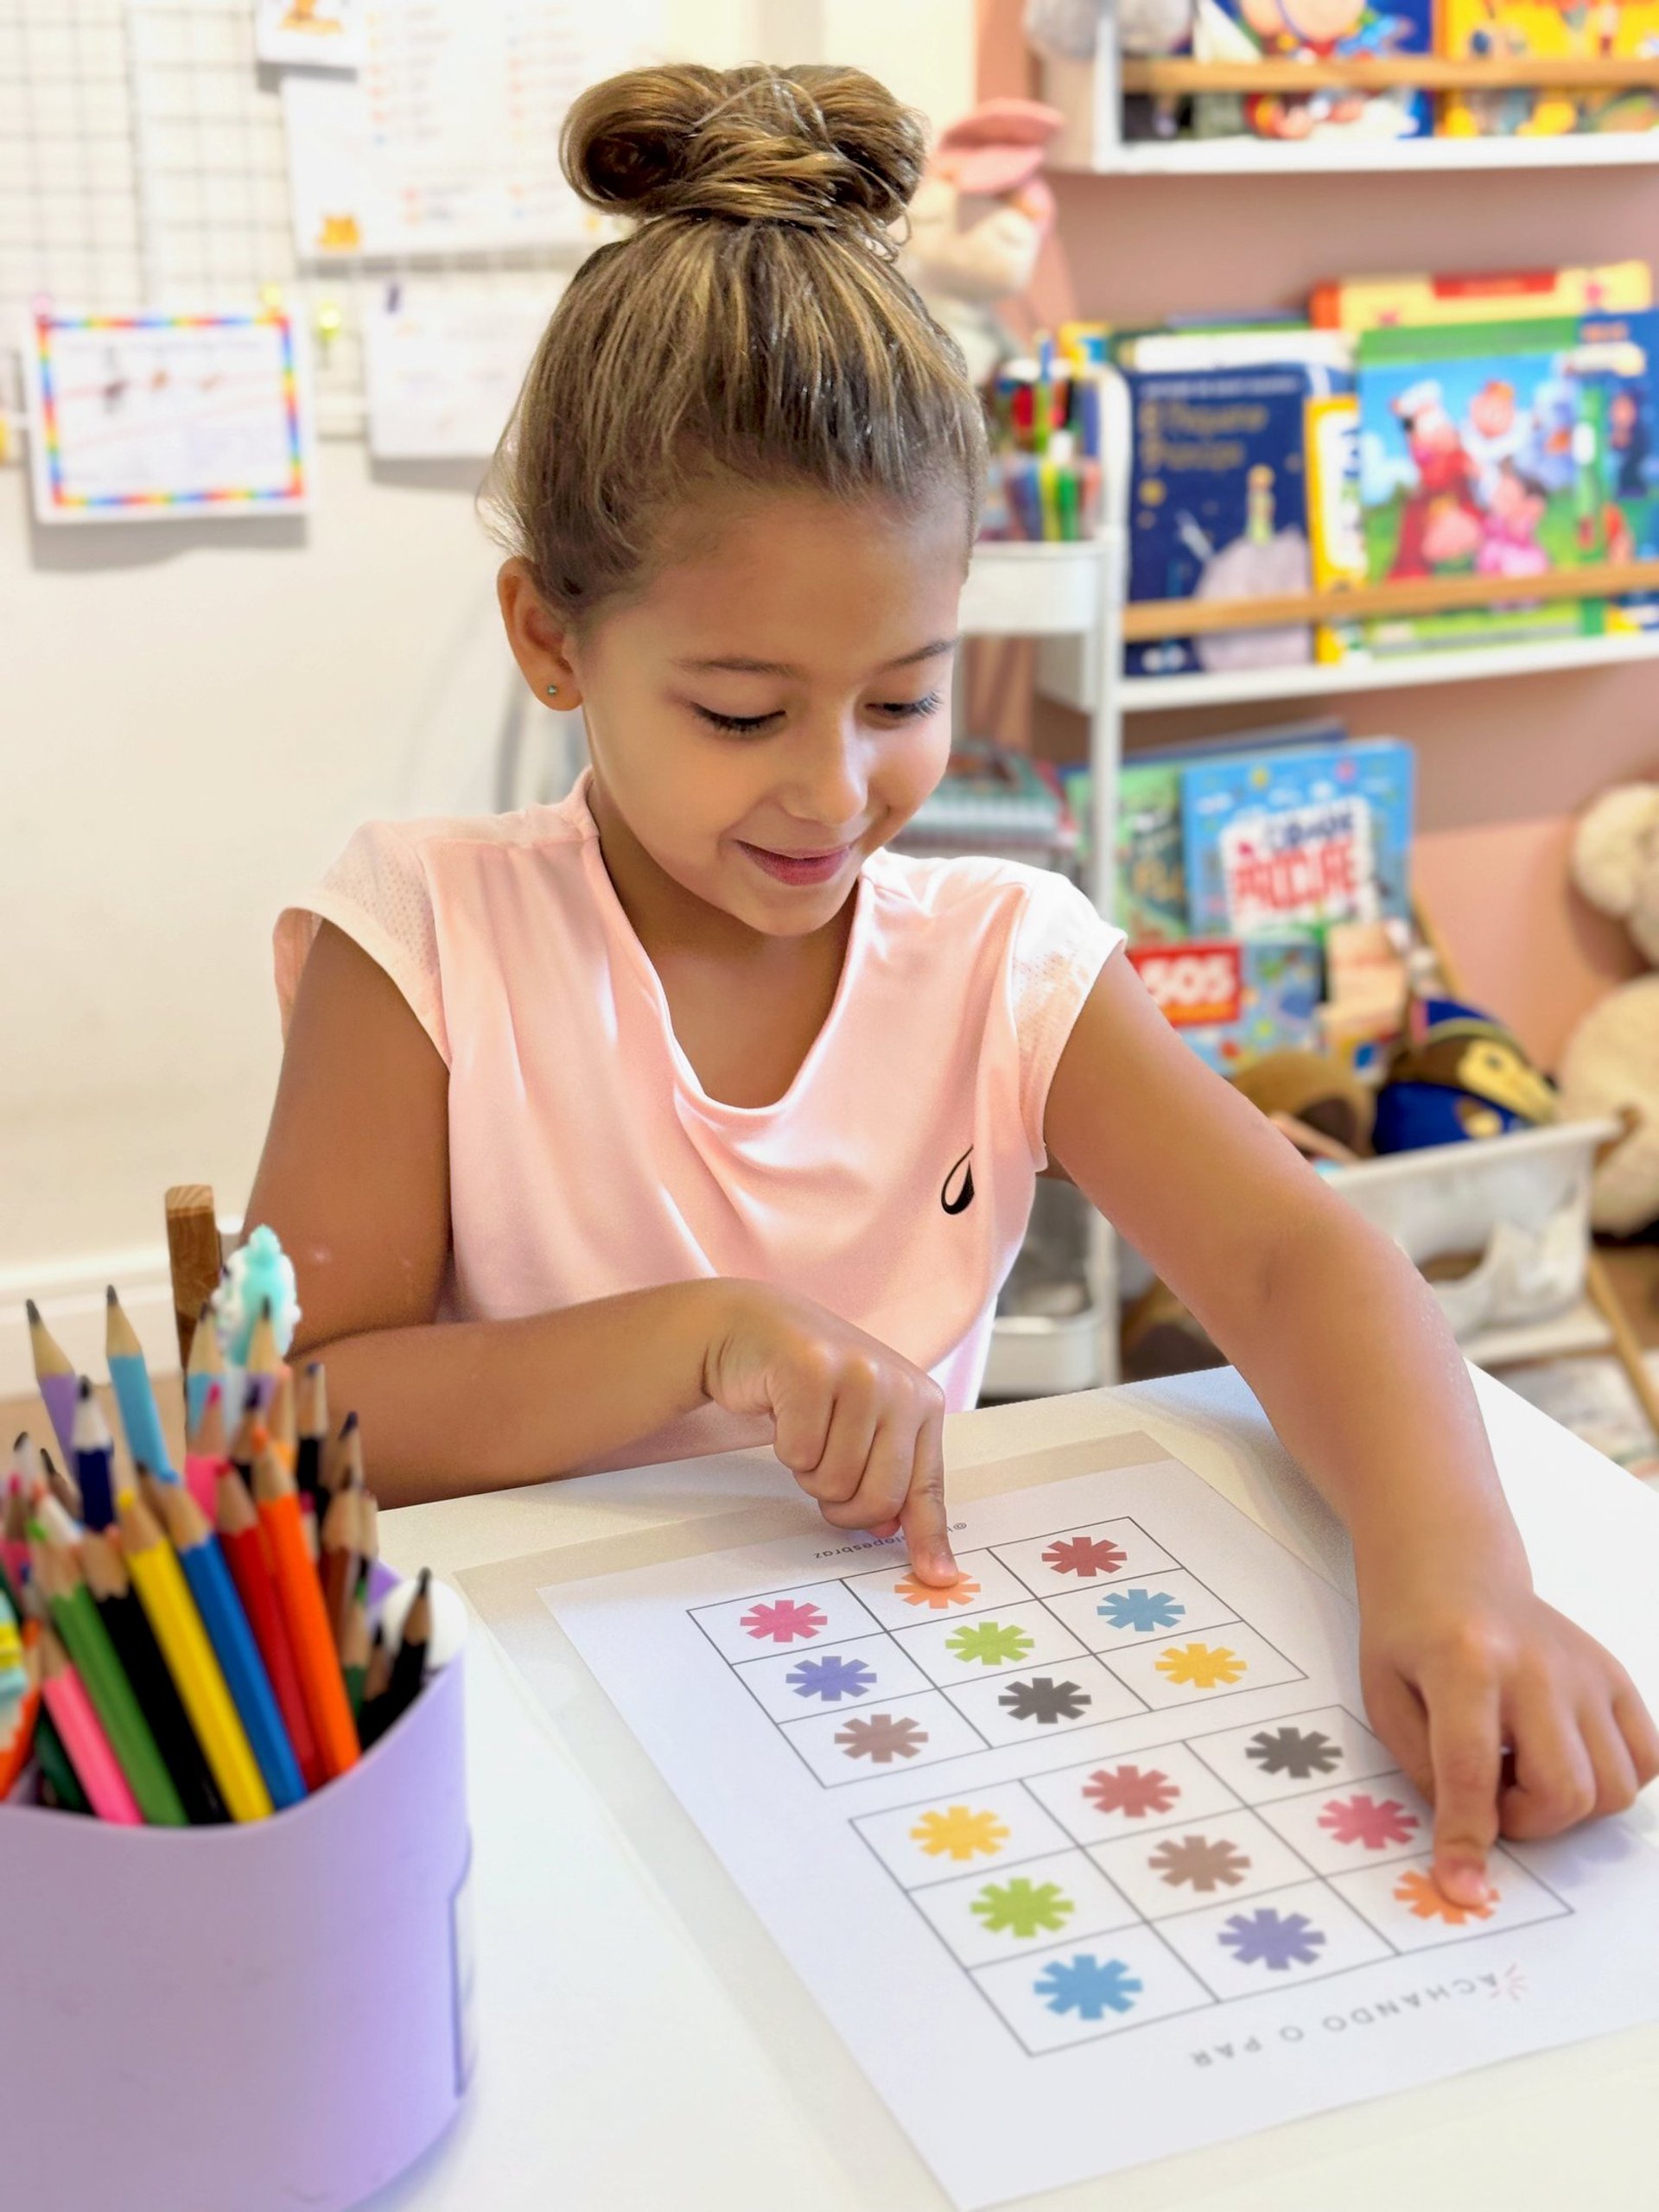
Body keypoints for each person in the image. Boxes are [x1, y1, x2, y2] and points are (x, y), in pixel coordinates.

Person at [251, 61, 1657, 1903]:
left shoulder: (1003, 961)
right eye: (743, 711)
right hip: (526, 1774)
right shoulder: (424, 936)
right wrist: (701, 1331)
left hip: (886, 1757)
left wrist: (1454, 1561)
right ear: (553, 638)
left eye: (903, 696)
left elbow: (1297, 1255)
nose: (837, 789)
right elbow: (284, 1415)